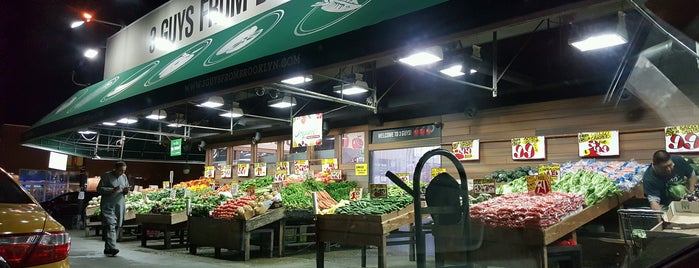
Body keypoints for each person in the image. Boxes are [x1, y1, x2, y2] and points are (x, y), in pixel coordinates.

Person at [96, 161, 130, 256]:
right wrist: (112, 189)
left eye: (124, 171)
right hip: (108, 205)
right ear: (115, 169)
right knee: (110, 225)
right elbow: (99, 189)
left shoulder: (124, 177)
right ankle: (112, 247)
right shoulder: (107, 176)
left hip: (119, 205)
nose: (122, 173)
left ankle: (108, 248)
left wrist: (126, 191)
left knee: (116, 226)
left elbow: (125, 190)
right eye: (120, 170)